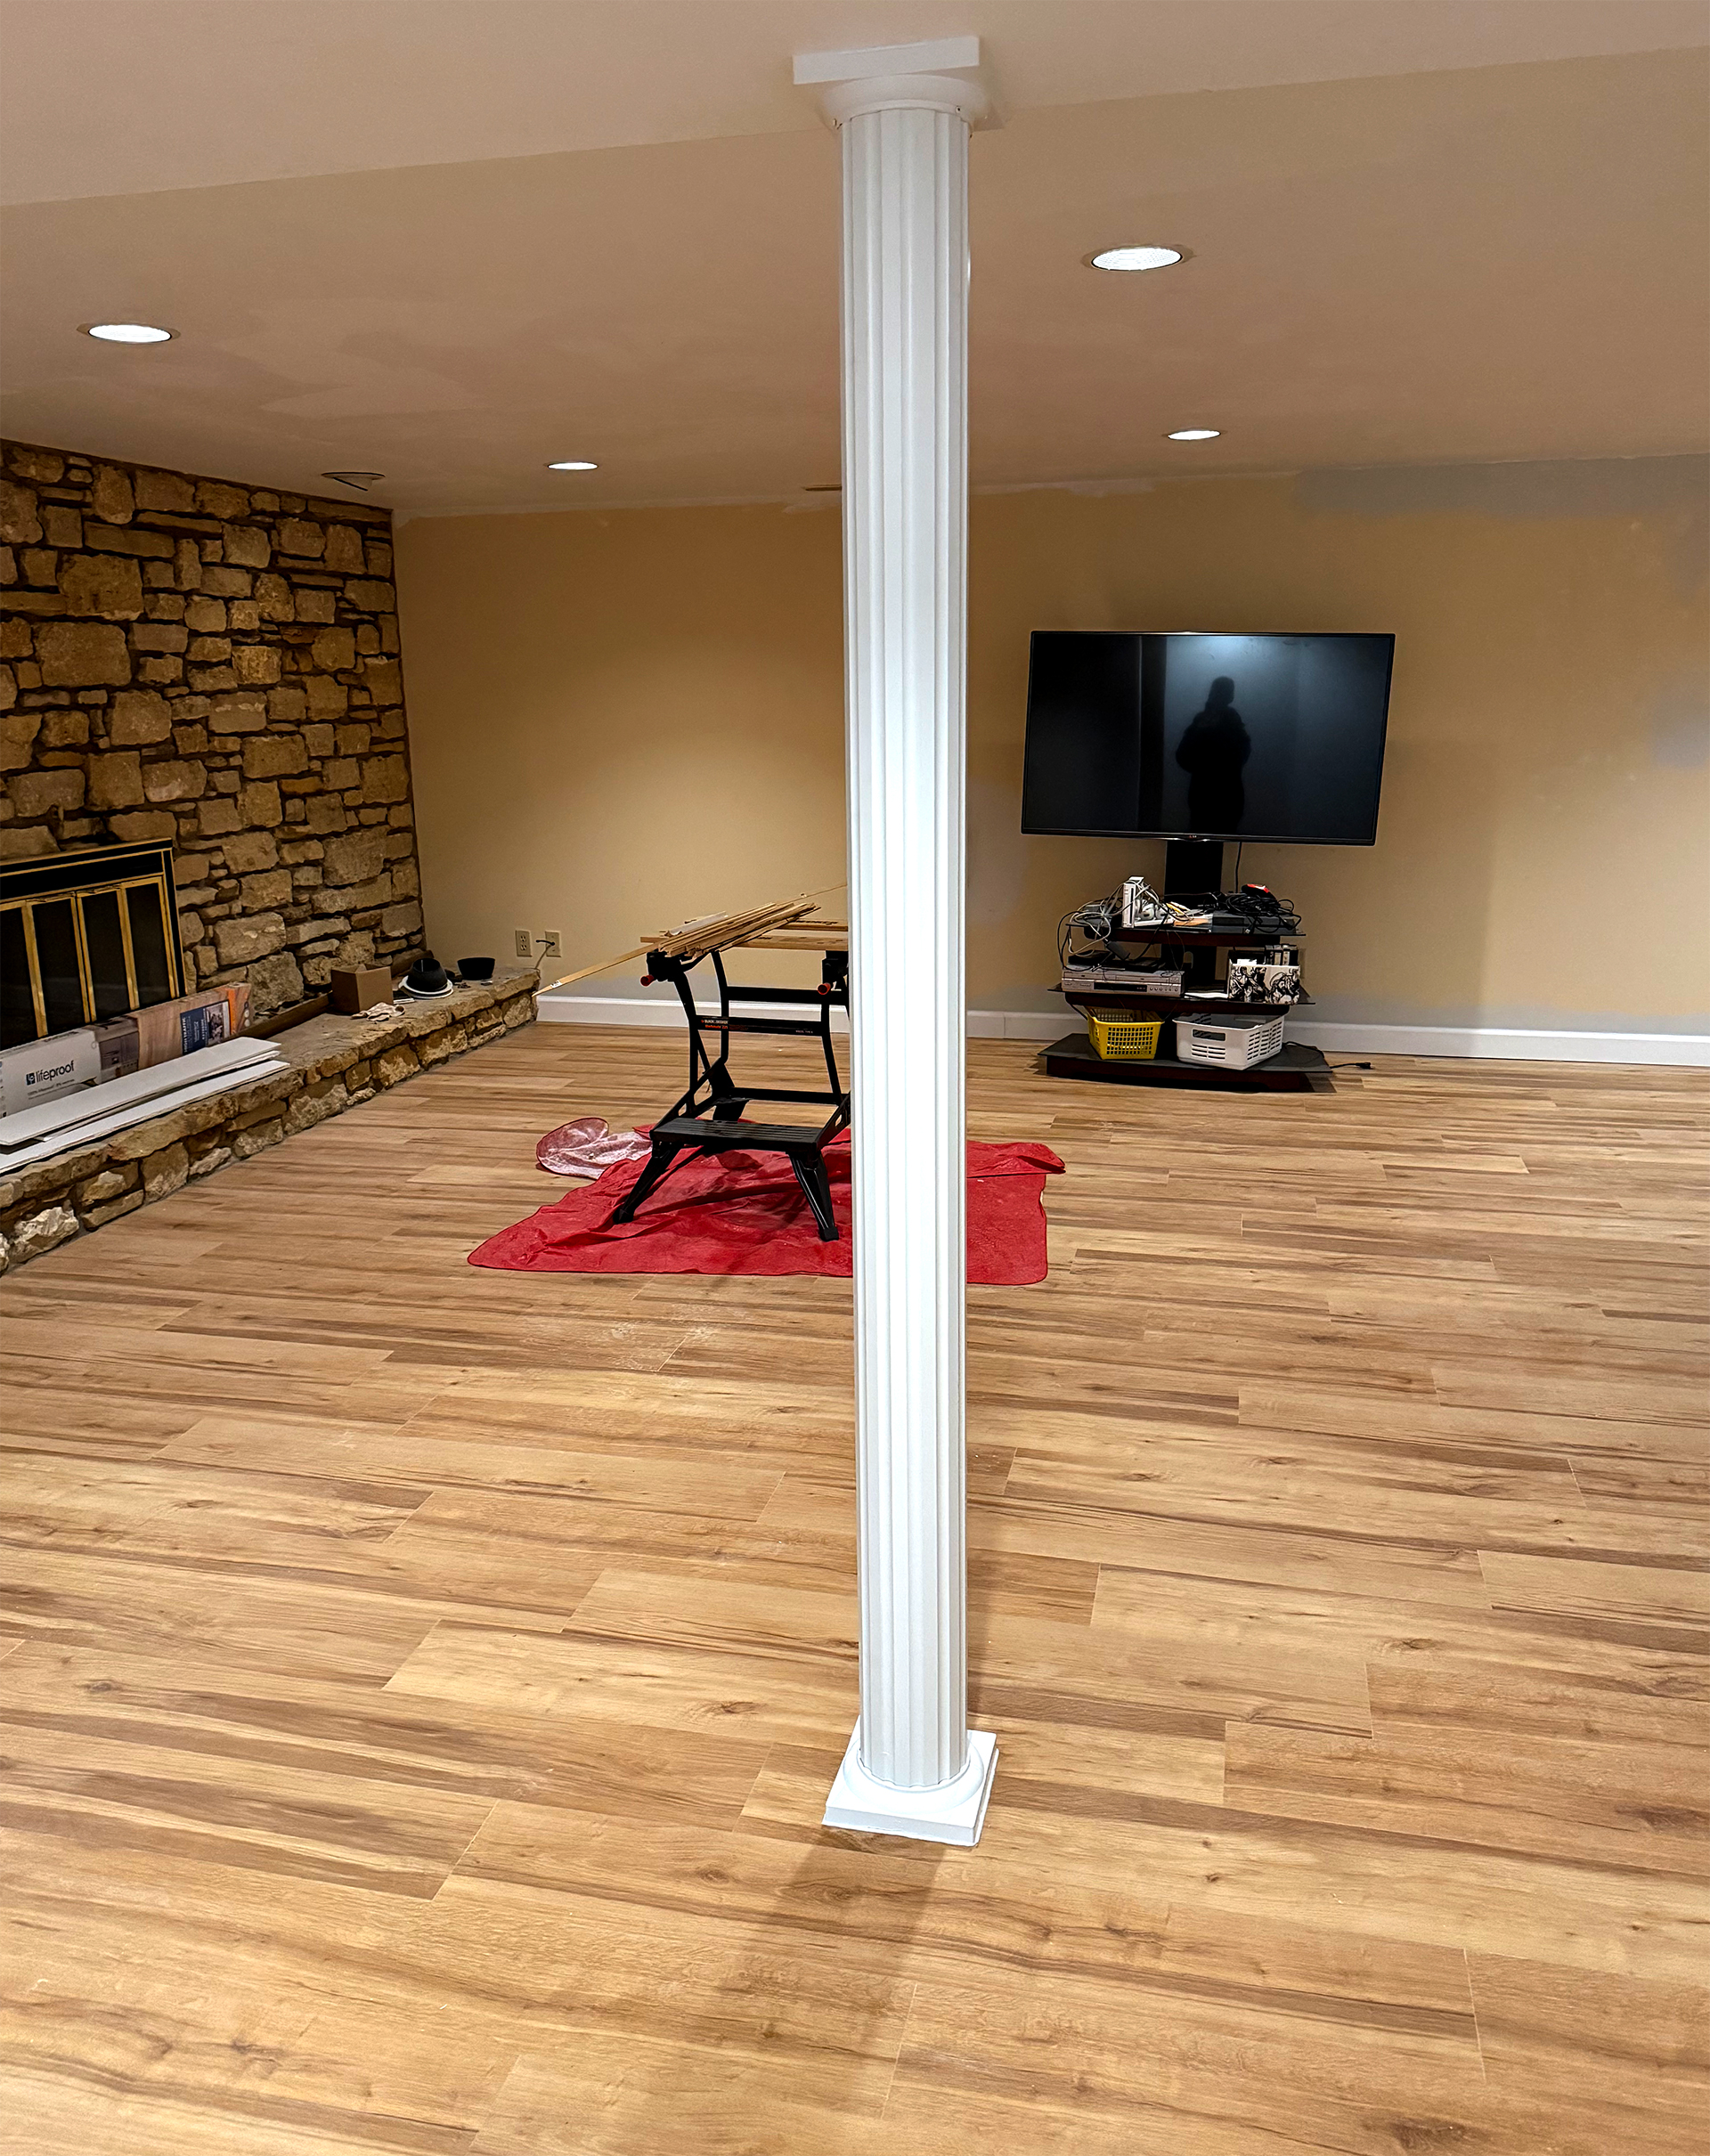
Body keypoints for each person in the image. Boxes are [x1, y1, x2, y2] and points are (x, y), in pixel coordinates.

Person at [1175, 675, 1250, 831]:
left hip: (1217, 798)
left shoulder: (1221, 722)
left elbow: (1183, 757)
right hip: (1216, 798)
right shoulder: (1223, 722)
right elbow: (1183, 757)